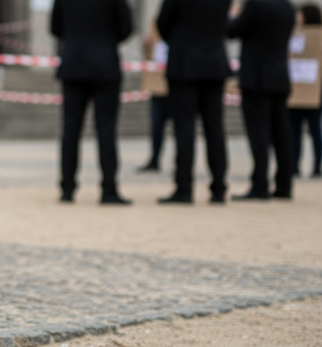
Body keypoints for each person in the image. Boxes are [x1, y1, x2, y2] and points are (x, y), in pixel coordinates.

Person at [50, 0, 134, 205]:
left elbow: (55, 27)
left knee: (70, 129)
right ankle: (108, 189)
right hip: (104, 64)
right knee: (106, 129)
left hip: (73, 63)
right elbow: (126, 28)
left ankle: (67, 188)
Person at [156, 0, 232, 204]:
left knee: (184, 128)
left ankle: (184, 187)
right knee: (215, 128)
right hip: (214, 61)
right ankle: (218, 188)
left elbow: (163, 23)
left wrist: (178, 40)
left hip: (184, 62)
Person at [227, 0, 296, 200]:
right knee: (282, 133)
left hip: (257, 77)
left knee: (259, 132)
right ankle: (285, 185)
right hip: (280, 76)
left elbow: (233, 30)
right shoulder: (287, 6)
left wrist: (233, 13)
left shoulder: (256, 5)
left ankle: (260, 185)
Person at [288, 4, 322, 179]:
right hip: (312, 90)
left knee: (297, 131)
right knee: (314, 130)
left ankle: (296, 164)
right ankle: (315, 164)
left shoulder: (296, 34)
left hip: (300, 89)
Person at [138, 21, 172, 173]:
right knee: (156, 126)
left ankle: (181, 163)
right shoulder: (156, 31)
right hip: (158, 85)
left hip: (175, 86)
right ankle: (155, 158)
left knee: (181, 127)